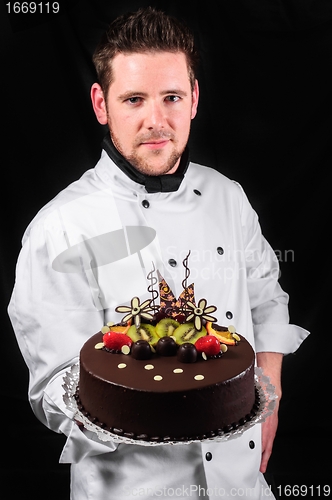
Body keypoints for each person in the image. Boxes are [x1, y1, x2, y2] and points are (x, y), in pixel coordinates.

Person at [8, 7, 309, 500]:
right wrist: (182, 404)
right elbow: (56, 391)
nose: (157, 121)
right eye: (134, 100)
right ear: (101, 104)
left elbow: (267, 299)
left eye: (171, 97)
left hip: (244, 486)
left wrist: (269, 399)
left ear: (193, 98)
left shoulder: (228, 197)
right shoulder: (60, 227)